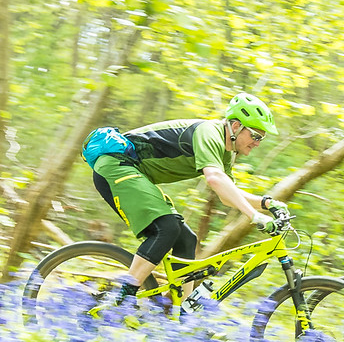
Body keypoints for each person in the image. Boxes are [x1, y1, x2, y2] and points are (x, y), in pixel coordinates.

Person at [82, 93, 287, 298]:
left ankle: (177, 311)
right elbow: (214, 179)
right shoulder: (210, 132)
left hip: (134, 174)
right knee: (167, 227)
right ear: (235, 127)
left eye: (262, 138)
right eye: (256, 136)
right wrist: (255, 216)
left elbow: (227, 194)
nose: (258, 143)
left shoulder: (225, 152)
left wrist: (267, 203)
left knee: (187, 240)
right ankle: (122, 299)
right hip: (115, 166)